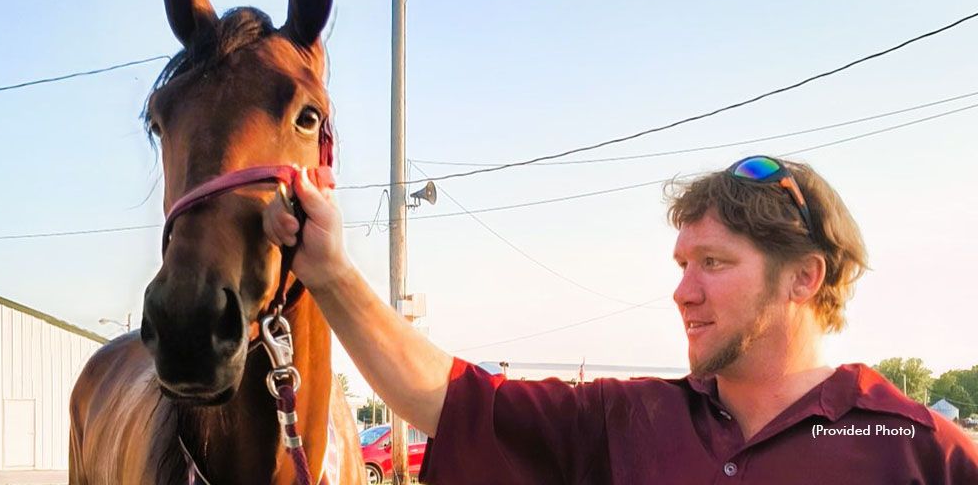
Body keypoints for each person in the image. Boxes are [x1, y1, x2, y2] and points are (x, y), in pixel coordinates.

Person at [263, 156, 978, 484]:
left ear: (804, 276)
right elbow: (444, 399)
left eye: (714, 265)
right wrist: (329, 271)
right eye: (680, 265)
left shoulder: (920, 453)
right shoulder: (627, 420)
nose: (683, 292)